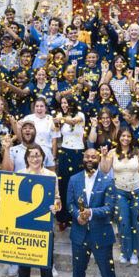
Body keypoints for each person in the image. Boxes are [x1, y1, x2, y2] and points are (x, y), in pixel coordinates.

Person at [67, 148, 120, 277]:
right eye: (87, 156)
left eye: (93, 157)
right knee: (78, 271)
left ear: (98, 159)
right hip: (79, 234)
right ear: (83, 158)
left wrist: (90, 213)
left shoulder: (107, 181)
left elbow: (110, 208)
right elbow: (70, 204)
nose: (90, 159)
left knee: (107, 273)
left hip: (101, 234)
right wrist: (77, 215)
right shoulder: (74, 179)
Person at [11, 144, 61, 277]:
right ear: (26, 158)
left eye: (38, 155)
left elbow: (58, 200)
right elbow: (12, 200)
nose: (35, 158)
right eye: (31, 155)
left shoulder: (51, 176)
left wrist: (56, 206)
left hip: (43, 229)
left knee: (46, 271)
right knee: (23, 271)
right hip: (24, 229)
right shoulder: (19, 175)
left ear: (43, 157)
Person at [101, 128, 139, 264]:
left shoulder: (138, 152)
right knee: (123, 222)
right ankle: (125, 251)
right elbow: (105, 170)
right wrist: (103, 156)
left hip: (137, 190)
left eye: (128, 136)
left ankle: (135, 252)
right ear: (119, 137)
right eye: (123, 136)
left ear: (131, 138)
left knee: (137, 222)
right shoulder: (112, 152)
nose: (125, 138)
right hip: (120, 191)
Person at [53, 95, 85, 230]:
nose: (64, 105)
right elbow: (56, 133)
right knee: (63, 184)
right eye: (62, 103)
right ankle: (62, 217)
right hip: (65, 151)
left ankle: (77, 215)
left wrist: (61, 118)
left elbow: (73, 122)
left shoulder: (80, 115)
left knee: (77, 184)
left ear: (72, 103)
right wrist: (56, 123)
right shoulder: (61, 116)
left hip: (78, 153)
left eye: (66, 103)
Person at [21, 98, 57, 170]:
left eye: (41, 106)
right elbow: (22, 135)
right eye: (37, 106)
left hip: (46, 152)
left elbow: (54, 140)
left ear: (45, 108)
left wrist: (53, 156)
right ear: (34, 108)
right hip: (29, 152)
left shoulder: (51, 119)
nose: (39, 108)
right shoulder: (28, 118)